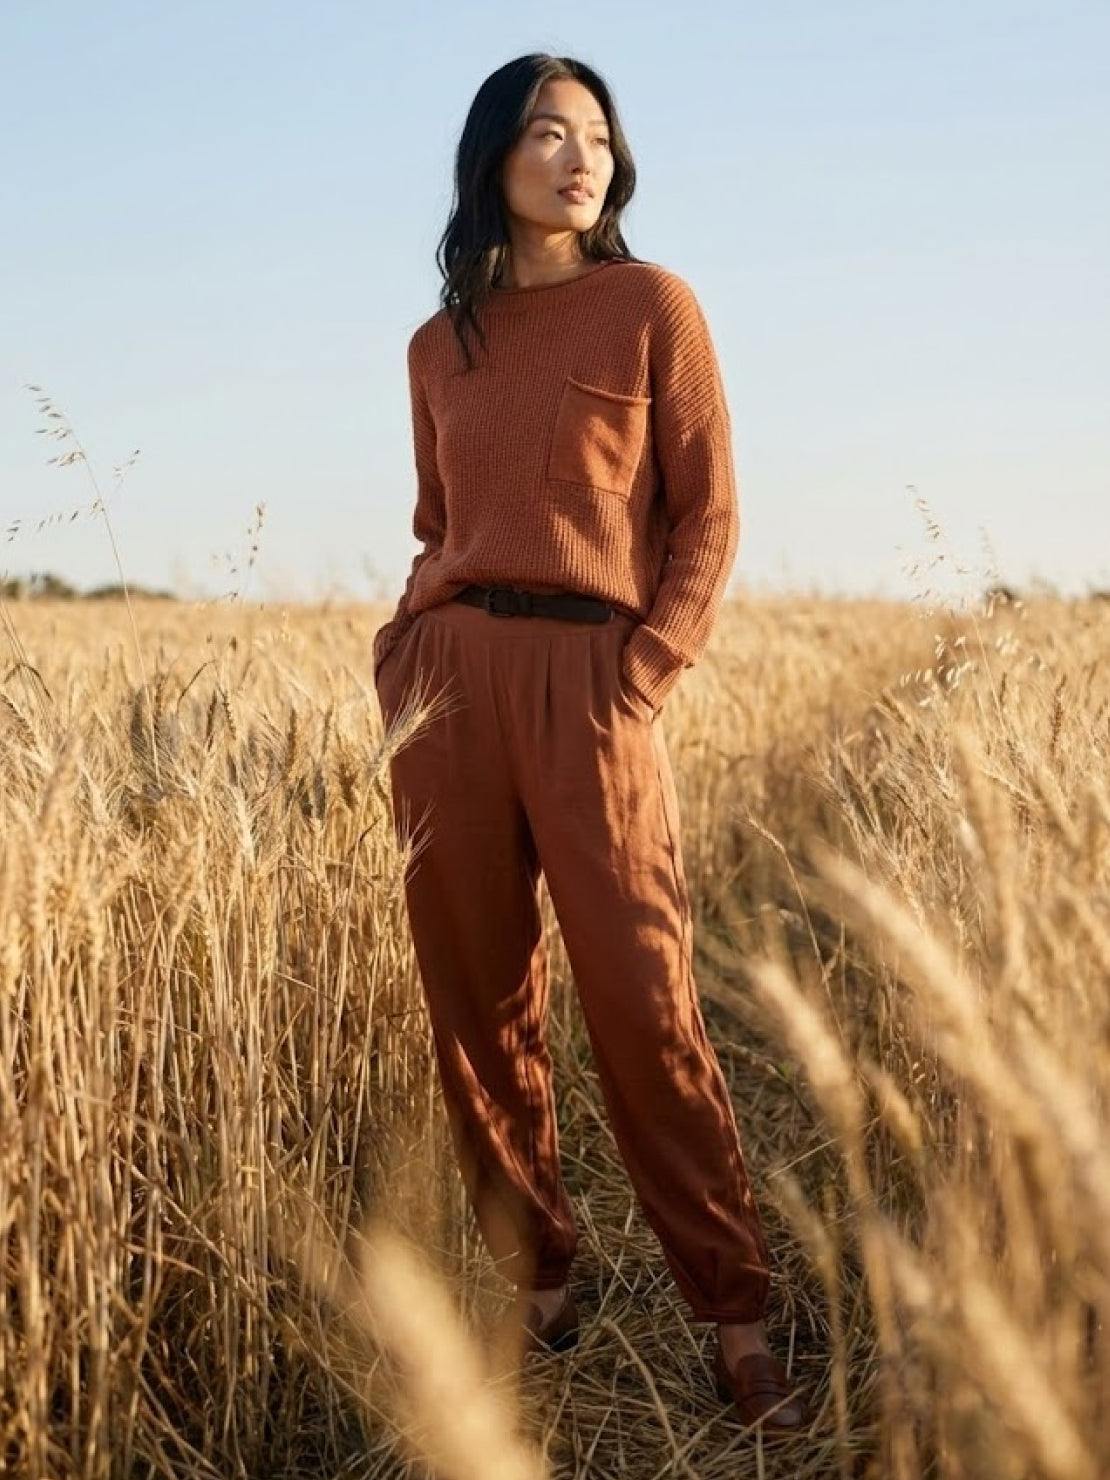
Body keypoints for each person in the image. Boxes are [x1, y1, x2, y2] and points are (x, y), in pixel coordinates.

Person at [373, 53, 807, 1435]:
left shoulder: (650, 306)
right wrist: (402, 657)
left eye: (601, 140)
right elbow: (438, 526)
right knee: (475, 999)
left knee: (640, 998)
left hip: (591, 681)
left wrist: (645, 672)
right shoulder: (439, 345)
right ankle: (537, 1281)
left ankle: (733, 1314)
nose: (581, 159)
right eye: (551, 133)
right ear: (493, 154)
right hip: (447, 686)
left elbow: (709, 516)